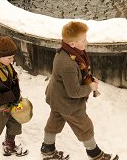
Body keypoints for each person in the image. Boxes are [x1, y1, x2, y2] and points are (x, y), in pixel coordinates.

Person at [40, 21, 118, 160]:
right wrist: (90, 87)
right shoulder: (67, 64)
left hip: (57, 97)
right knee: (85, 126)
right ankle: (95, 155)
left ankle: (48, 149)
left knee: (54, 122)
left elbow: (76, 74)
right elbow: (74, 92)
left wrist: (88, 78)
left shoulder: (67, 52)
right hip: (67, 102)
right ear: (72, 44)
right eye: (83, 40)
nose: (86, 42)